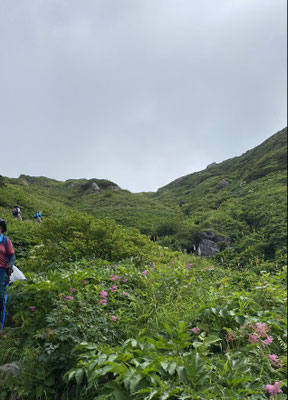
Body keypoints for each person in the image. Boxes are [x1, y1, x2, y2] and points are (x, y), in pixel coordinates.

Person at [0, 219, 16, 326]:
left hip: (2, 270)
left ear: (1, 229)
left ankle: (1, 321)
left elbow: (12, 256)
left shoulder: (6, 241)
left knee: (0, 296)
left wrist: (10, 265)